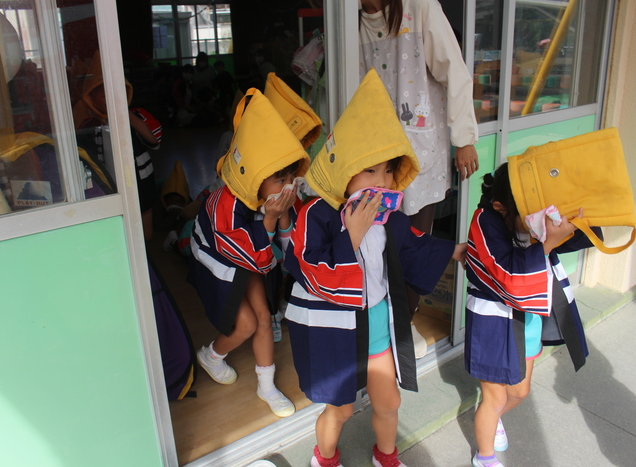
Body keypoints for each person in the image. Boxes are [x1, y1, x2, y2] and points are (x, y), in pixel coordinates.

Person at [285, 69, 466, 467]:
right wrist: (350, 235)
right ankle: (324, 458)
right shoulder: (316, 214)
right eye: (370, 170)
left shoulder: (389, 217)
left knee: (389, 401)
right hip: (332, 327)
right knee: (341, 409)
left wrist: (453, 251)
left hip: (377, 322)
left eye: (388, 169)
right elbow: (309, 268)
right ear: (345, 169)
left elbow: (412, 244)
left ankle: (386, 456)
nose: (382, 180)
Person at [359, 0, 480, 357]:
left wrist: (464, 138)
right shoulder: (348, 18)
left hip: (420, 151)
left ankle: (404, 322)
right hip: (374, 155)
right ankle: (381, 323)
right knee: (375, 245)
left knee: (415, 245)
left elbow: (454, 70)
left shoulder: (420, 7)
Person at [464, 163, 600, 467]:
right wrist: (548, 242)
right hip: (492, 319)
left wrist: (576, 220)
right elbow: (510, 278)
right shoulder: (485, 221)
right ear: (500, 207)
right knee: (496, 398)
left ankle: (492, 418)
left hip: (526, 317)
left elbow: (578, 234)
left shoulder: (533, 213)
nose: (537, 217)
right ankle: (484, 456)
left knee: (519, 392)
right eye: (527, 213)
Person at [187, 88, 310, 417]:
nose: (288, 186)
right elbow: (242, 251)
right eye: (279, 179)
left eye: (291, 177)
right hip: (220, 262)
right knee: (244, 324)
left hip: (252, 260)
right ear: (255, 174)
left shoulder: (280, 198)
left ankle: (266, 386)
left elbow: (286, 249)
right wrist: (269, 218)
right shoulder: (225, 203)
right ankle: (211, 355)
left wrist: (280, 216)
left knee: (263, 317)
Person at [72, 51, 161, 240]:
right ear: (92, 99)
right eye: (104, 96)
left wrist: (125, 115)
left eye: (116, 93)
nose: (111, 98)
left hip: (140, 182)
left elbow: (154, 139)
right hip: (106, 184)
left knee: (145, 232)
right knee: (117, 230)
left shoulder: (138, 115)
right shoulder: (88, 125)